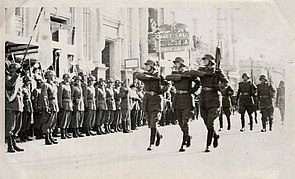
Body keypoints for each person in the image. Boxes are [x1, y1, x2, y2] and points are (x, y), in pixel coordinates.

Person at [166, 57, 205, 152]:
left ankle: (183, 142)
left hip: (187, 99)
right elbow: (168, 78)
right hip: (177, 99)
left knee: (185, 121)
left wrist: (192, 91)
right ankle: (188, 135)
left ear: (182, 63)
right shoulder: (174, 73)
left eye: (177, 63)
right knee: (180, 122)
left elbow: (198, 83)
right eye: (175, 63)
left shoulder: (189, 73)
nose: (176, 64)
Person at [134, 59, 168, 151]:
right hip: (147, 101)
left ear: (152, 66)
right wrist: (151, 78)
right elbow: (137, 75)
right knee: (150, 124)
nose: (146, 66)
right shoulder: (145, 75)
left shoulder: (159, 75)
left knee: (154, 123)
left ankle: (151, 143)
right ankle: (159, 135)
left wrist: (160, 91)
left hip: (156, 101)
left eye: (148, 65)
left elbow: (167, 85)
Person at [198, 54, 228, 152]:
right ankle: (215, 136)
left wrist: (218, 87)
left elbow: (226, 83)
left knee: (210, 122)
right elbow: (193, 74)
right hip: (203, 98)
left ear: (210, 61)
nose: (204, 61)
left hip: (213, 99)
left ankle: (208, 145)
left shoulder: (217, 71)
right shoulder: (201, 70)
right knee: (206, 122)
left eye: (206, 60)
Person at [5, 63, 24, 152]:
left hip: (18, 105)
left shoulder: (18, 79)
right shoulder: (7, 78)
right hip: (11, 105)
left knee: (17, 126)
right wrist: (16, 74)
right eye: (17, 70)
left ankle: (14, 143)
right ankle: (10, 145)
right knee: (10, 126)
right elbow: (9, 85)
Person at [41, 70, 59, 145]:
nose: (54, 77)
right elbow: (44, 96)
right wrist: (46, 106)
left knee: (53, 121)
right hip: (50, 103)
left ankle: (50, 136)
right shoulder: (45, 85)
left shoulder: (54, 85)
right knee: (47, 121)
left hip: (54, 103)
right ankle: (47, 138)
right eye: (53, 76)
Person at [57, 73, 73, 139]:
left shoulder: (68, 85)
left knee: (68, 119)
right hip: (64, 103)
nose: (68, 80)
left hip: (69, 103)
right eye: (68, 78)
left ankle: (66, 132)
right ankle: (63, 133)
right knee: (63, 119)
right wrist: (60, 105)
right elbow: (60, 96)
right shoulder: (61, 86)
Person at [20, 76, 34, 142]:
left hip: (29, 104)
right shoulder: (22, 88)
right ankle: (22, 136)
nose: (29, 83)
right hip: (25, 105)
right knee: (24, 121)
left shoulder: (28, 88)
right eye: (28, 81)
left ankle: (26, 134)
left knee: (28, 121)